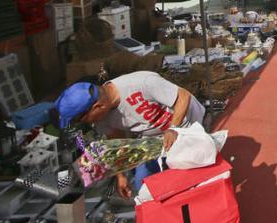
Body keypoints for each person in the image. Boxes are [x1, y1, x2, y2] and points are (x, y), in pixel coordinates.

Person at [54, 72, 205, 197]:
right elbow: (119, 142)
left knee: (191, 181)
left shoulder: (141, 83)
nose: (86, 124)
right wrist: (121, 176)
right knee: (143, 183)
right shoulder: (101, 118)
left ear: (97, 107)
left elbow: (183, 96)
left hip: (189, 126)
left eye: (82, 119)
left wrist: (173, 129)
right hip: (154, 138)